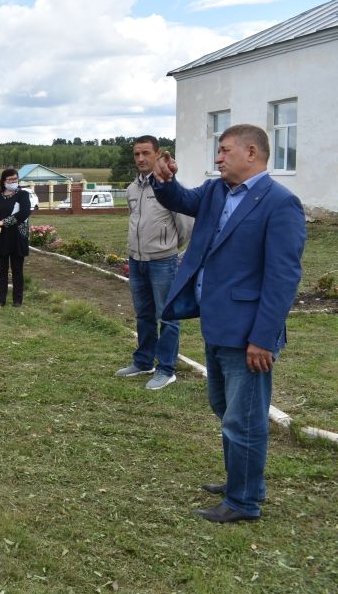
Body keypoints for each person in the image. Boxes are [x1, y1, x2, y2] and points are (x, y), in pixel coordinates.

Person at [150, 124, 305, 523]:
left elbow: (282, 278)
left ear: (251, 153)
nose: (218, 158)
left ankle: (243, 502)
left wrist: (263, 339)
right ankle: (244, 479)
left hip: (248, 333)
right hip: (216, 323)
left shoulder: (280, 204)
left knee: (244, 418)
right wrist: (164, 181)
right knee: (224, 407)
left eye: (224, 151)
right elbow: (182, 198)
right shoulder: (216, 191)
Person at [116, 135, 194, 391]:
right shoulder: (131, 189)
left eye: (146, 153)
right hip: (137, 261)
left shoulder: (168, 187)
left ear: (158, 154)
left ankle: (166, 369)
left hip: (163, 262)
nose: (140, 159)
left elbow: (184, 226)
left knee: (168, 316)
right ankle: (143, 362)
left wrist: (167, 247)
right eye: (137, 154)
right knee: (144, 315)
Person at [0, 168, 31, 307]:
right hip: (0, 238)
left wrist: (3, 222)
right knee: (2, 270)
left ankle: (17, 300)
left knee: (17, 270)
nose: (13, 182)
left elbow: (24, 213)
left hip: (18, 237)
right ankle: (1, 299)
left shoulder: (23, 194)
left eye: (15, 179)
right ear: (3, 181)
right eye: (10, 179)